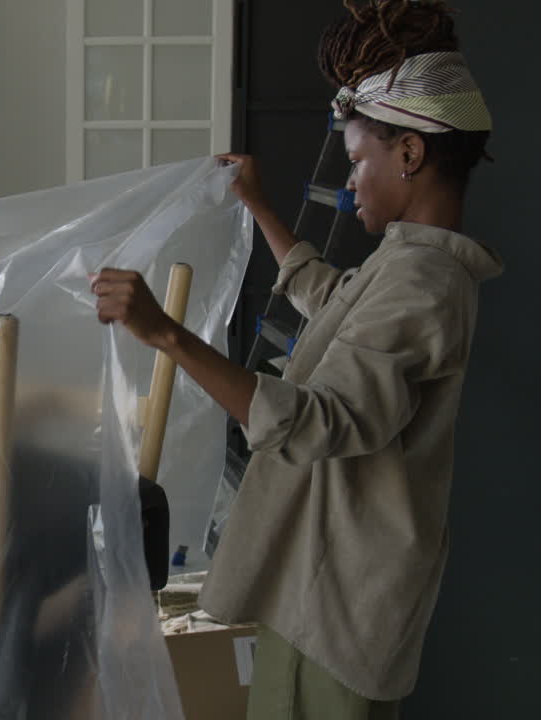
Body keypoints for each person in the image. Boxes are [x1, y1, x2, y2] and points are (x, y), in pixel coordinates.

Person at [90, 1, 502, 717]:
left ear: (409, 154)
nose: (350, 183)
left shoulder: (422, 282)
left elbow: (320, 422)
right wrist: (259, 207)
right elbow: (333, 300)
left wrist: (167, 335)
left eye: (358, 161)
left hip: (334, 604)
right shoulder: (409, 265)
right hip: (324, 590)